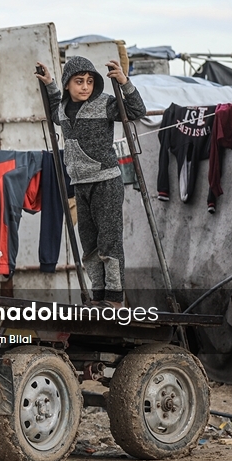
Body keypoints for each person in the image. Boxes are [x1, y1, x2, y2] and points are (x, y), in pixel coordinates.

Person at [35, 56, 146, 307]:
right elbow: (53, 109)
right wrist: (50, 83)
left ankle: (115, 298)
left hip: (106, 181)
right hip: (80, 183)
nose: (85, 87)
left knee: (109, 241)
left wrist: (125, 83)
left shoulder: (104, 103)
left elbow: (138, 111)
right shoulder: (62, 110)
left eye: (89, 81)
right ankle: (98, 296)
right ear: (67, 85)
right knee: (89, 245)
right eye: (78, 82)